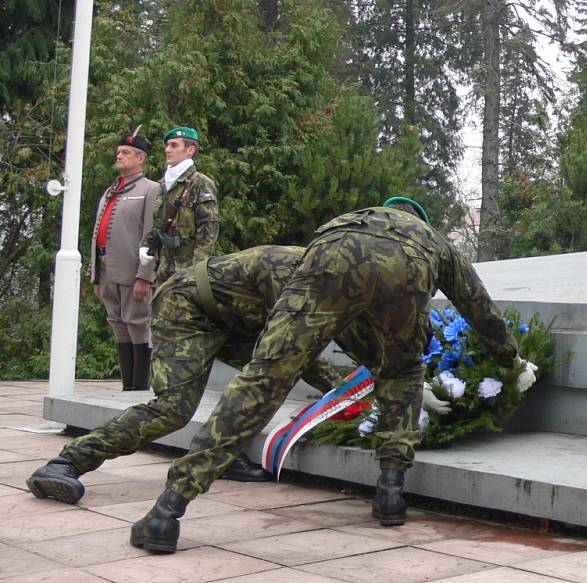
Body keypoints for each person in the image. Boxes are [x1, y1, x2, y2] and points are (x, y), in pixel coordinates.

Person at [128, 197, 538, 553]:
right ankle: (391, 492)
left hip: (329, 255)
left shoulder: (351, 220)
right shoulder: (435, 242)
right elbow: (478, 308)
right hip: (407, 268)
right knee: (404, 368)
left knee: (264, 378)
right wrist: (509, 358)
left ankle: (168, 511)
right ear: (420, 220)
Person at [26, 246, 342, 504]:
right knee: (173, 409)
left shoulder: (341, 281)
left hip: (234, 321)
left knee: (266, 381)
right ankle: (66, 463)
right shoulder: (295, 271)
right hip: (187, 310)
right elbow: (295, 347)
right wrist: (345, 391)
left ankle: (222, 454)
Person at [88, 128, 160, 391]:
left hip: (133, 271)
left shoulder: (151, 189)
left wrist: (145, 275)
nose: (119, 156)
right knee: (118, 324)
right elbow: (97, 233)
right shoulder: (110, 191)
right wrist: (95, 273)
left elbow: (151, 236)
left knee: (138, 323)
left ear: (141, 158)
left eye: (126, 152)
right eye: (119, 152)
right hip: (107, 269)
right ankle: (126, 386)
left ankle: (139, 387)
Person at [139, 126, 219, 289]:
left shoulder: (200, 183)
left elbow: (208, 231)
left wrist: (197, 273)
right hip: (163, 270)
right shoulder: (164, 184)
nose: (168, 150)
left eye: (174, 145)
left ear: (190, 150)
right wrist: (146, 245)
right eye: (167, 145)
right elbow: (159, 224)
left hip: (187, 272)